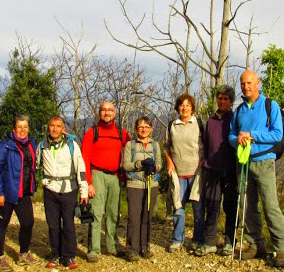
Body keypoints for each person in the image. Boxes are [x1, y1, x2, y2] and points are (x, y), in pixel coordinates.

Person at [228, 70, 284, 267]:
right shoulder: (239, 110)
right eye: (242, 83)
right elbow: (231, 136)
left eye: (249, 83)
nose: (245, 86)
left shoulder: (270, 105)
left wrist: (251, 135)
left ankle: (283, 250)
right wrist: (237, 139)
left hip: (265, 162)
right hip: (244, 162)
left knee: (270, 205)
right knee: (246, 206)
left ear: (257, 83)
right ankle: (255, 245)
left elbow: (277, 134)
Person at [0, 114, 40, 272]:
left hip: (24, 192)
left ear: (28, 128)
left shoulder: (32, 144)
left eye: (25, 126)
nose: (22, 130)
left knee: (28, 223)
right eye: (19, 127)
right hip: (7, 192)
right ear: (13, 129)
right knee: (2, 224)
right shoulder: (5, 146)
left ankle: (23, 254)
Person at [36, 116, 88, 270]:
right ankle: (56, 254)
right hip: (50, 190)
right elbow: (36, 166)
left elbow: (81, 168)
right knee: (53, 225)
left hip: (69, 189)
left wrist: (83, 192)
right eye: (52, 125)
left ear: (63, 128)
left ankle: (69, 256)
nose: (54, 129)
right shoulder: (42, 145)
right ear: (48, 127)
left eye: (58, 126)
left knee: (68, 225)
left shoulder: (72, 144)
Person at [82, 101, 130, 263]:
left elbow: (130, 153)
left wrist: (125, 176)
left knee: (113, 213)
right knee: (96, 212)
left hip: (115, 176)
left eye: (110, 110)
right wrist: (88, 182)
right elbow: (85, 158)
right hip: (97, 174)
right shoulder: (91, 133)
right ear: (99, 112)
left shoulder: (123, 133)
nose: (107, 113)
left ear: (115, 113)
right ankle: (94, 249)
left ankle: (112, 246)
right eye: (104, 110)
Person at [194, 85, 238, 257]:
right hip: (211, 169)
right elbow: (205, 144)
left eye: (225, 98)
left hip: (230, 169)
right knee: (212, 205)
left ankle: (229, 242)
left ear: (231, 101)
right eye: (220, 98)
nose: (222, 101)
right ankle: (209, 241)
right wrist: (204, 162)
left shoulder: (235, 119)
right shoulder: (210, 121)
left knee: (230, 206)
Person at [165, 94, 204, 253]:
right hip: (178, 173)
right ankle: (177, 239)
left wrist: (204, 161)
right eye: (182, 105)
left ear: (192, 108)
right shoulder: (172, 125)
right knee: (178, 208)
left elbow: (207, 145)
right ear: (177, 108)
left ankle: (197, 240)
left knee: (198, 209)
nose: (185, 108)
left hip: (196, 172)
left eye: (188, 105)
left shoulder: (200, 124)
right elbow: (167, 146)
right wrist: (169, 161)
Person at [122, 116, 162, 262]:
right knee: (134, 217)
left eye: (147, 126)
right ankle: (132, 250)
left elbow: (160, 164)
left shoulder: (155, 145)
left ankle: (145, 247)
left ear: (151, 129)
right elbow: (126, 165)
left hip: (151, 185)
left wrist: (154, 167)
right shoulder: (130, 145)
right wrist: (141, 164)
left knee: (147, 216)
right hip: (134, 184)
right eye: (140, 127)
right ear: (136, 129)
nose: (144, 129)